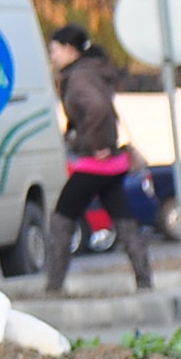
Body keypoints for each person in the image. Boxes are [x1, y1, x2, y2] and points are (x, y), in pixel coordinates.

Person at [42, 25, 150, 295]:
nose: (51, 56)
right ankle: (145, 280)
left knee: (62, 217)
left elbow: (97, 109)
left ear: (69, 49)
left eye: (53, 50)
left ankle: (54, 286)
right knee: (123, 219)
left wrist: (96, 144)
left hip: (95, 162)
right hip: (112, 163)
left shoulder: (79, 77)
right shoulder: (91, 70)